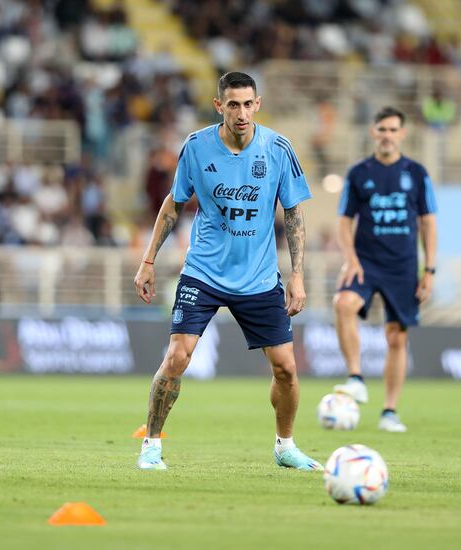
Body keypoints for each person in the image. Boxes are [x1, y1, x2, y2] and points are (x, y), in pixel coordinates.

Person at [133, 72, 320, 471]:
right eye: (232, 104)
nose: (241, 112)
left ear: (258, 104)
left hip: (259, 277)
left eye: (247, 104)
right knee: (177, 358)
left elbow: (294, 214)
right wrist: (148, 261)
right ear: (219, 106)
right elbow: (173, 203)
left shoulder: (278, 149)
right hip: (204, 271)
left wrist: (297, 275)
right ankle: (151, 444)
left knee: (286, 369)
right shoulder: (197, 147)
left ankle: (285, 446)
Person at [331, 106, 438, 433]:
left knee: (396, 337)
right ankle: (356, 377)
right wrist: (350, 258)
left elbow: (428, 222)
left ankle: (389, 411)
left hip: (403, 265)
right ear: (373, 132)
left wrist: (430, 269)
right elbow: (344, 221)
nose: (387, 135)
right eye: (382, 129)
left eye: (393, 129)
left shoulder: (417, 173)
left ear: (402, 133)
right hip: (366, 261)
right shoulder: (359, 173)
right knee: (343, 304)